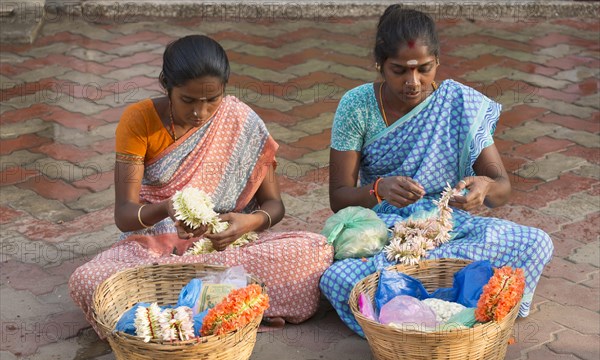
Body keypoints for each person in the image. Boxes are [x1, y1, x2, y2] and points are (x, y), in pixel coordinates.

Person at [69, 35, 333, 336]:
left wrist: (248, 223)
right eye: (188, 100)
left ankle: (176, 314)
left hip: (223, 248)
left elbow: (275, 206)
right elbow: (125, 215)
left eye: (212, 100)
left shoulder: (241, 120)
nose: (200, 112)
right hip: (155, 250)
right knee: (89, 280)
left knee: (314, 250)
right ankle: (230, 308)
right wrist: (167, 209)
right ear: (166, 84)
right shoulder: (139, 120)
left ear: (224, 90)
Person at [319, 7, 553, 336]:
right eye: (399, 70)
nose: (413, 82)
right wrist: (379, 189)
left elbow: (502, 187)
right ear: (380, 65)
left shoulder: (459, 102)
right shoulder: (357, 106)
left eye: (424, 69)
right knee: (337, 278)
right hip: (390, 233)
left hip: (450, 227)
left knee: (536, 243)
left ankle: (413, 307)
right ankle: (459, 305)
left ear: (438, 63)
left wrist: (484, 188)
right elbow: (339, 198)